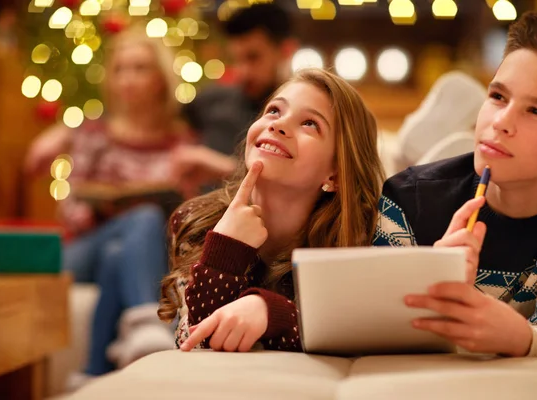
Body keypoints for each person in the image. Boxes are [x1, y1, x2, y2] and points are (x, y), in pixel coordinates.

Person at [158, 68, 485, 352]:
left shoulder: (373, 231)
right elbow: (194, 342)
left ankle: (416, 158)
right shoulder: (196, 223)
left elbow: (372, 331)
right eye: (274, 111)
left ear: (335, 174)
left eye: (310, 124)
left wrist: (271, 312)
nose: (279, 125)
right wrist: (225, 251)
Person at [376, 8, 537, 358]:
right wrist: (426, 278)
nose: (500, 122)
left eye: (536, 111)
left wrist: (520, 337)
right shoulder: (406, 201)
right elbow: (374, 329)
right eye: (497, 97)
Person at [25, 27, 199, 380]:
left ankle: (92, 375)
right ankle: (150, 323)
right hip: (84, 247)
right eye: (121, 69)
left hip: (142, 249)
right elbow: (70, 210)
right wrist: (102, 208)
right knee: (141, 218)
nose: (128, 79)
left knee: (121, 252)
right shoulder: (94, 134)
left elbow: (188, 214)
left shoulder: (180, 141)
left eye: (140, 68)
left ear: (160, 80)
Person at [172, 2, 299, 191]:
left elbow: (301, 180)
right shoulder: (209, 102)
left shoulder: (307, 116)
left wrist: (226, 168)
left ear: (286, 50)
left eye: (253, 57)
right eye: (237, 59)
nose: (242, 72)